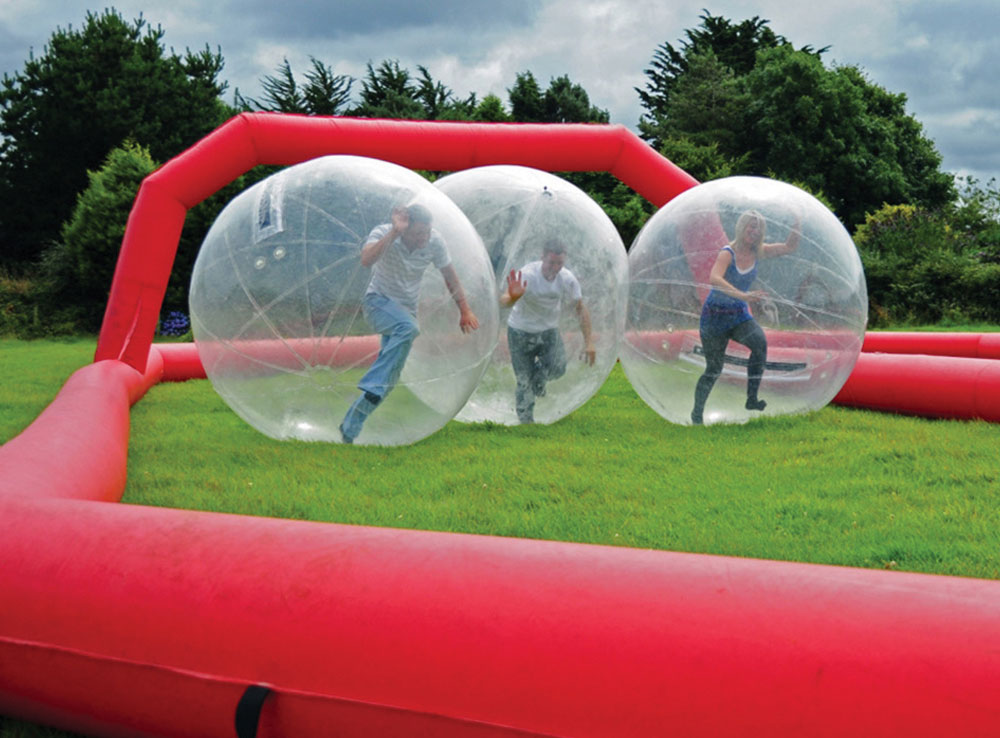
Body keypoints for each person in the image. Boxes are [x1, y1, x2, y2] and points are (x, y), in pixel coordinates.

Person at [339, 204, 479, 443]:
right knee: (409, 329)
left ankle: (349, 429)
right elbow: (366, 260)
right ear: (404, 228)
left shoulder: (435, 241)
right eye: (417, 234)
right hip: (378, 304)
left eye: (426, 232)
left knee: (389, 380)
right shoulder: (385, 233)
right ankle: (373, 384)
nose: (423, 239)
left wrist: (464, 310)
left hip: (405, 311)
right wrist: (394, 232)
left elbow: (450, 276)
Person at [690, 209, 800, 425]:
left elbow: (790, 247)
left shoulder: (759, 252)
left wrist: (798, 219)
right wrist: (743, 295)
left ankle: (751, 399)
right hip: (715, 317)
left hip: (738, 316)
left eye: (758, 228)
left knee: (760, 344)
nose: (755, 231)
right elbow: (714, 278)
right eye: (751, 226)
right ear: (742, 228)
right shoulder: (727, 253)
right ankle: (697, 414)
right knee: (714, 368)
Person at [501, 240, 595, 424]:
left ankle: (537, 381)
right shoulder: (527, 275)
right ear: (542, 257)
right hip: (520, 331)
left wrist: (589, 342)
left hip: (548, 331)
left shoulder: (567, 279)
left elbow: (580, 309)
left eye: (560, 263)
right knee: (523, 379)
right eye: (551, 262)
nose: (555, 267)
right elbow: (503, 302)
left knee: (558, 368)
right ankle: (526, 422)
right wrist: (512, 297)